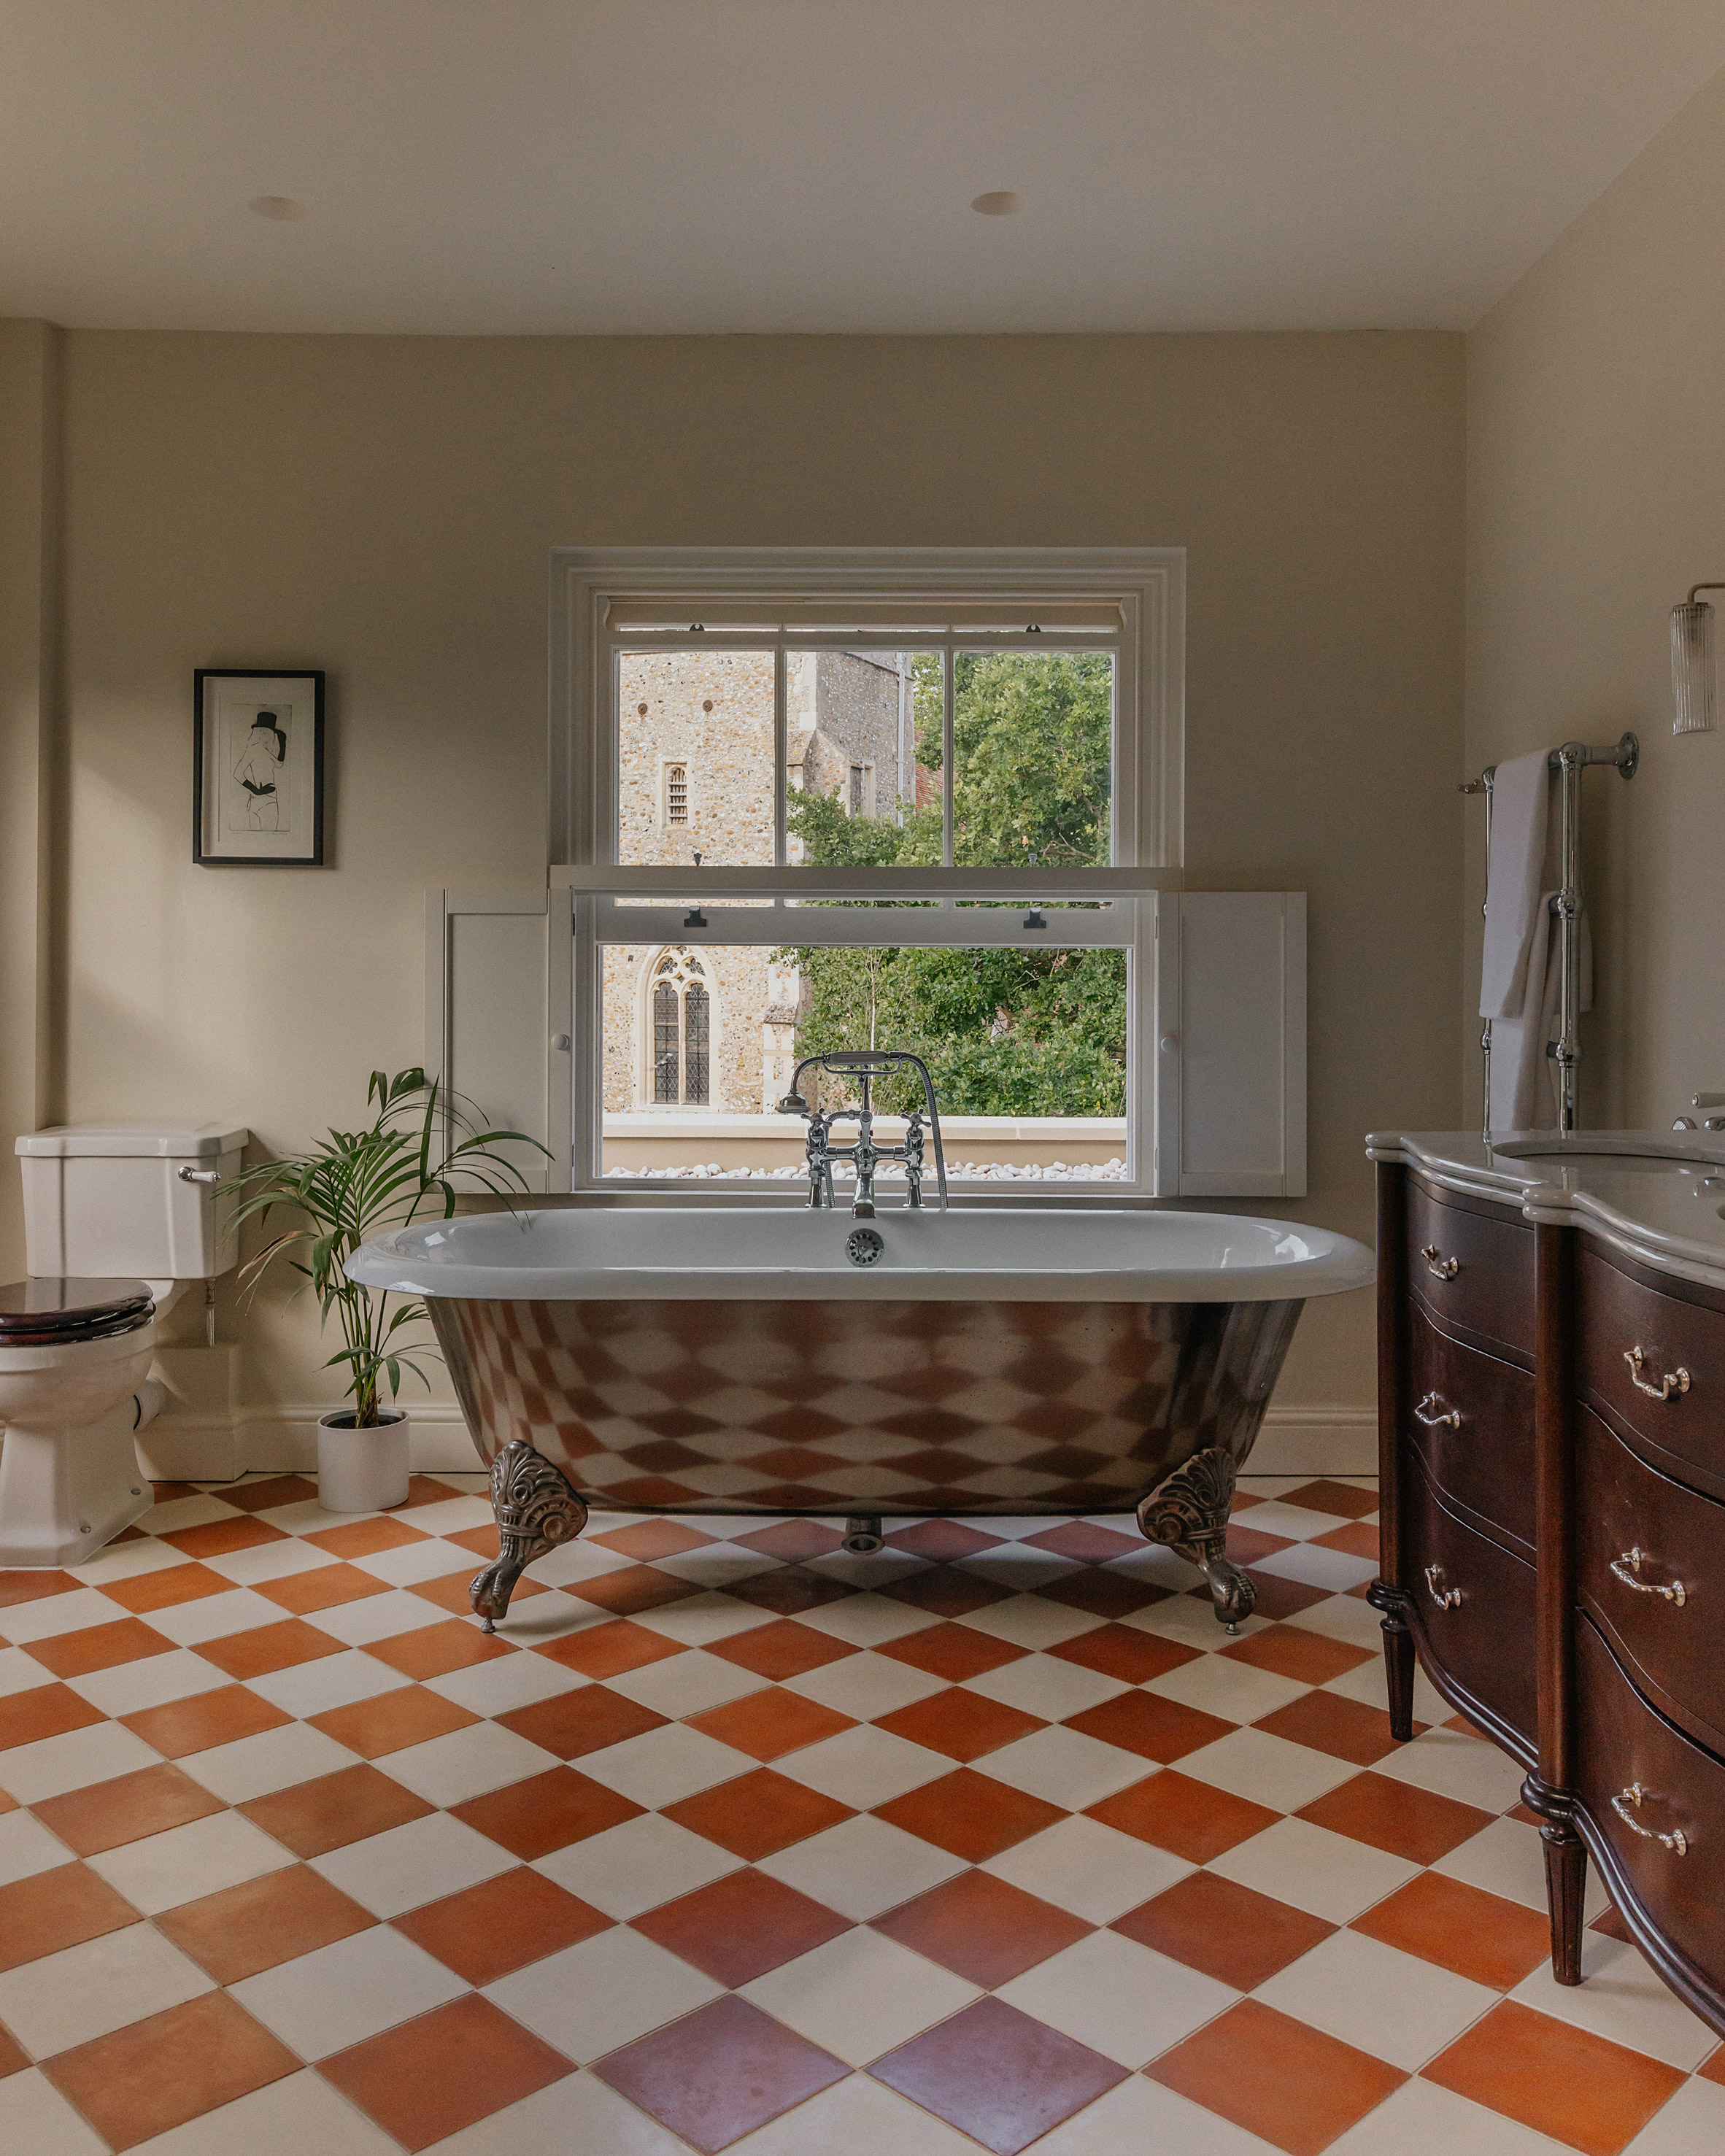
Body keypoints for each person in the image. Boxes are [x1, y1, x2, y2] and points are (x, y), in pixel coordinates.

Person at [234, 711, 287, 830]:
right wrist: (256, 791)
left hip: (258, 801)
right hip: (266, 800)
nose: (265, 736)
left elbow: (279, 764)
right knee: (268, 839)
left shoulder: (262, 750)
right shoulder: (256, 749)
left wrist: (283, 743)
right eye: (262, 732)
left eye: (267, 733)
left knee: (259, 840)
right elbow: (237, 773)